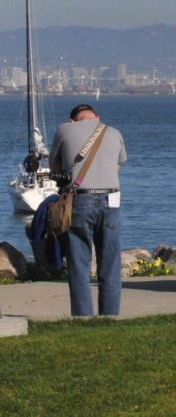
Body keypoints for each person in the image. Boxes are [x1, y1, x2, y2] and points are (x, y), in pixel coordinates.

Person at [49, 103, 127, 317]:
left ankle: (83, 316)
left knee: (79, 262)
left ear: (73, 120)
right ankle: (110, 315)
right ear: (96, 118)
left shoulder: (64, 129)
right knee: (110, 262)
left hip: (79, 199)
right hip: (111, 199)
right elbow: (118, 164)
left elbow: (55, 166)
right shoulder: (113, 132)